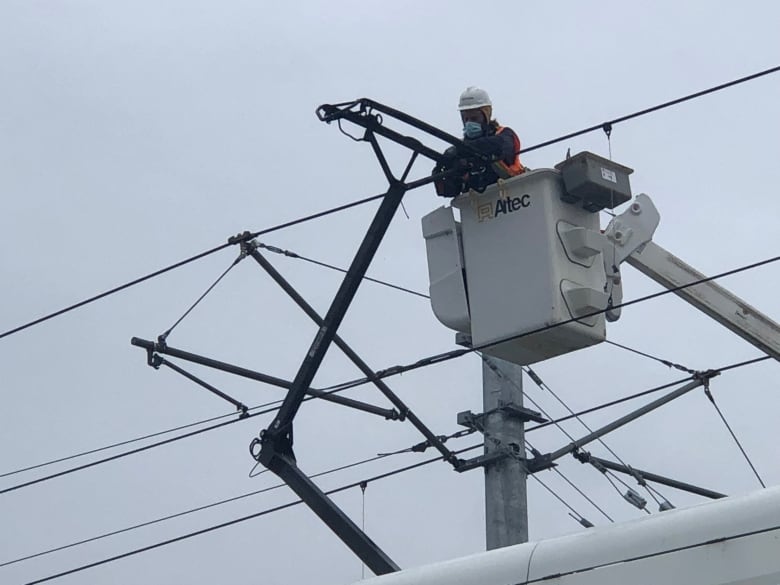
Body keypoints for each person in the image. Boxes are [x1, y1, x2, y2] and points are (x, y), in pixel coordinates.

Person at [434, 86, 525, 197]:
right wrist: (443, 170)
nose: (469, 123)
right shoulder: (460, 150)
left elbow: (499, 146)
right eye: (465, 119)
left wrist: (459, 151)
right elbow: (449, 191)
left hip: (512, 196)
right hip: (479, 206)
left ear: (486, 115)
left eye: (474, 118)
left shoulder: (504, 135)